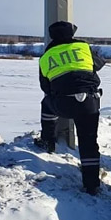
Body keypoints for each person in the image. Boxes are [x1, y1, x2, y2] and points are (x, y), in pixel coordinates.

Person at [36, 21, 106, 195]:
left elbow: (45, 88)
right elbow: (100, 63)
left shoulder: (46, 57)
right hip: (89, 101)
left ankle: (48, 140)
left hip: (62, 103)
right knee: (89, 141)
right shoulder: (83, 47)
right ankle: (91, 185)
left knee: (46, 104)